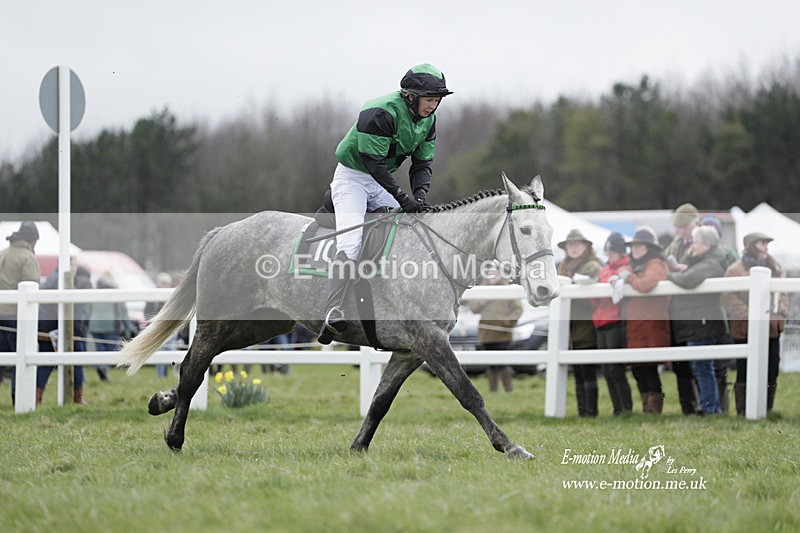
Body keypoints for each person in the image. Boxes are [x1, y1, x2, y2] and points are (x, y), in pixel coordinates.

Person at [319, 63, 453, 344]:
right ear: (410, 96)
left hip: (380, 179)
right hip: (354, 178)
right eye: (429, 99)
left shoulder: (428, 120)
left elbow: (422, 163)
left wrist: (420, 196)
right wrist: (403, 198)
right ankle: (332, 309)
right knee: (351, 241)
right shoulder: (379, 113)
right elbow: (374, 163)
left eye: (437, 99)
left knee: (414, 227)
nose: (434, 105)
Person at [722, 232, 788, 415]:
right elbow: (728, 297)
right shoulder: (734, 270)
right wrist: (752, 314)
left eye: (767, 243)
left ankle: (766, 409)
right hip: (745, 328)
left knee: (772, 369)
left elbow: (783, 294)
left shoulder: (775, 267)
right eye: (762, 243)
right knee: (744, 370)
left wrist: (779, 311)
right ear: (751, 245)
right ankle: (744, 410)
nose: (766, 246)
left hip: (771, 329)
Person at [668, 225, 729, 415]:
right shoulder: (706, 258)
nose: (692, 245)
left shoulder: (713, 262)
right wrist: (687, 263)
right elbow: (687, 273)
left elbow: (688, 279)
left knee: (703, 366)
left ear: (707, 245)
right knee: (701, 366)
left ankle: (710, 408)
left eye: (696, 242)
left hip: (702, 320)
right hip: (697, 319)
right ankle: (710, 406)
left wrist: (670, 274)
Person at [29, 262, 92, 404]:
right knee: (76, 360)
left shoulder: (52, 277)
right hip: (59, 327)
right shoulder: (63, 280)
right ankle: (77, 396)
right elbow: (71, 308)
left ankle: (36, 396)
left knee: (46, 363)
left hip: (47, 326)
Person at [623, 226, 670, 414]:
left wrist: (630, 279)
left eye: (640, 245)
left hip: (651, 324)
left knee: (649, 368)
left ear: (649, 247)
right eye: (634, 246)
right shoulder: (634, 266)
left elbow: (647, 284)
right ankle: (646, 407)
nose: (635, 249)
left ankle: (654, 409)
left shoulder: (656, 264)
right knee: (638, 368)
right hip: (637, 324)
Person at [558, 229, 603, 417]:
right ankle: (581, 411)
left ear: (586, 246)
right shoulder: (563, 266)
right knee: (577, 371)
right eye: (570, 245)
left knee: (587, 370)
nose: (574, 248)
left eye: (577, 244)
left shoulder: (593, 266)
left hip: (587, 324)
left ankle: (590, 411)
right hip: (570, 326)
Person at [664, 202, 701, 415]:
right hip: (677, 311)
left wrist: (678, 273)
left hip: (698, 312)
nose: (680, 232)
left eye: (684, 227)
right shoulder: (675, 245)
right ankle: (689, 408)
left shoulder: (707, 240)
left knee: (703, 364)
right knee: (681, 364)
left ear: (695, 223)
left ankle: (707, 407)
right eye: (678, 228)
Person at [591, 232, 633, 415]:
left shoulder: (627, 268)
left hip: (615, 320)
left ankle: (625, 407)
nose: (609, 256)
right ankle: (617, 408)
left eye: (612, 253)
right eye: (607, 253)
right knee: (607, 370)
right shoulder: (605, 269)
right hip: (601, 320)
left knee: (616, 369)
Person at [700, 214, 737, 414]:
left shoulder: (729, 254)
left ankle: (722, 408)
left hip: (724, 314)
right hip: (706, 314)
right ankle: (708, 407)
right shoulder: (696, 254)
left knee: (721, 367)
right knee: (706, 365)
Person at [0, 222, 41, 403]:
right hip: (17, 316)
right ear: (32, 241)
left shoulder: (3, 254)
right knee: (22, 358)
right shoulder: (27, 257)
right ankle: (19, 399)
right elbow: (32, 287)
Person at [468, 269, 523, 393]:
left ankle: (509, 391)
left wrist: (506, 323)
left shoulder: (508, 288)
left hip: (503, 334)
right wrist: (483, 300)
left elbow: (518, 310)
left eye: (496, 272)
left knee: (503, 364)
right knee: (491, 364)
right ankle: (493, 391)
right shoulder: (481, 288)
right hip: (486, 333)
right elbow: (473, 307)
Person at [88, 274, 135, 380]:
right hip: (110, 325)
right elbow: (123, 313)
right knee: (113, 350)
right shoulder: (116, 293)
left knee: (100, 351)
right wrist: (127, 329)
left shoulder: (93, 293)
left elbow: (88, 310)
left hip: (94, 325)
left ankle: (102, 367)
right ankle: (103, 368)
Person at [144, 272, 177, 377]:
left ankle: (175, 373)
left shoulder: (172, 294)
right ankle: (161, 375)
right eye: (163, 283)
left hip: (170, 325)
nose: (165, 285)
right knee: (160, 350)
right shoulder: (153, 294)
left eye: (166, 283)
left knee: (172, 350)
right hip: (158, 326)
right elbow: (147, 311)